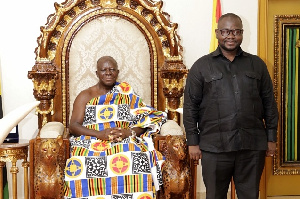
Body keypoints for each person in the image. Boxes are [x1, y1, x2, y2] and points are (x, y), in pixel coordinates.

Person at [183, 13, 278, 199]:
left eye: (236, 31)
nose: (231, 36)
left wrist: (271, 138)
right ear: (217, 33)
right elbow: (190, 107)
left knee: (250, 195)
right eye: (226, 31)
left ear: (242, 33)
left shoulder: (257, 65)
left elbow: (269, 102)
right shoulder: (201, 66)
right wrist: (192, 142)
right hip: (214, 147)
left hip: (251, 146)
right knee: (215, 195)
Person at [64, 56, 167, 198]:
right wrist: (99, 134)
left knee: (136, 155)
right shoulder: (85, 95)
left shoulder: (127, 94)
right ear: (97, 73)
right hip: (92, 139)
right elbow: (73, 126)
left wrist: (127, 132)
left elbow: (146, 120)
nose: (108, 73)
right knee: (81, 159)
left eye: (112, 69)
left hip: (123, 138)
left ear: (117, 72)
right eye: (103, 70)